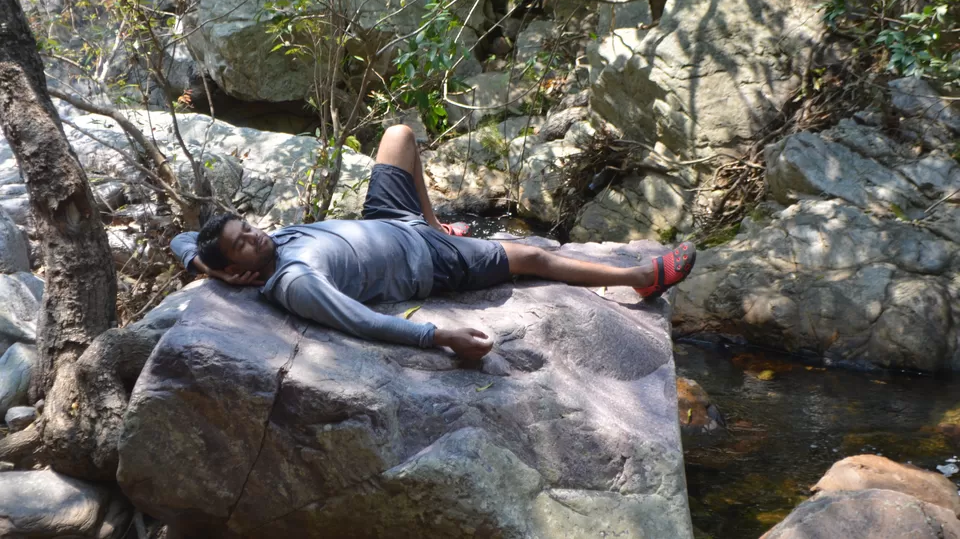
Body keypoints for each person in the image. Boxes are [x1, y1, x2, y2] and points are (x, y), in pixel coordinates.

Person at [171, 125, 696, 359]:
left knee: (399, 135)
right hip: (429, 261)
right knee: (534, 256)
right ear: (242, 266)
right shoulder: (294, 281)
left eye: (247, 227)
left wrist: (207, 266)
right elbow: (362, 323)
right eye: (243, 243)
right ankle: (637, 279)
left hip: (393, 219)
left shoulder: (261, 247)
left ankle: (436, 217)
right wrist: (439, 338)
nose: (256, 233)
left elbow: (181, 238)